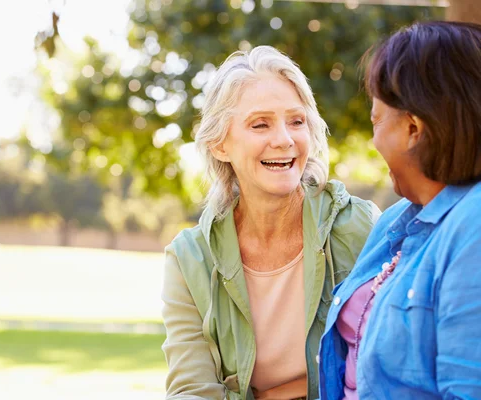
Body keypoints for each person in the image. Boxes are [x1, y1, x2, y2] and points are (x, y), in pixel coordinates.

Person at [161, 45, 380, 400]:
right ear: (219, 145)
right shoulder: (189, 260)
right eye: (260, 124)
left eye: (296, 121)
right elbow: (192, 389)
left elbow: (387, 364)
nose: (284, 140)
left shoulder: (358, 227)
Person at [318, 21, 481, 400]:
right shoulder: (397, 219)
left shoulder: (473, 224)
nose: (373, 139)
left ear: (412, 128)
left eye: (376, 120)